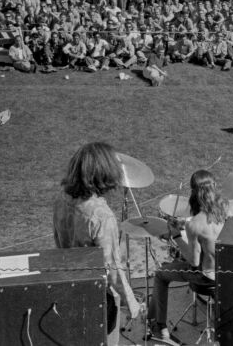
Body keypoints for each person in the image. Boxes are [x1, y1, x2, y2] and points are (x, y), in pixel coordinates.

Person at [148, 170, 233, 343]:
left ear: (193, 193)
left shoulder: (197, 224)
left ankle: (160, 329)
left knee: (160, 273)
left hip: (208, 278)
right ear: (215, 186)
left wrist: (176, 236)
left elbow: (194, 261)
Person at [53, 142, 140, 346]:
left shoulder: (62, 198)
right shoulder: (101, 216)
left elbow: (58, 240)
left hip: (68, 285)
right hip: (96, 295)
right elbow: (112, 268)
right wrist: (132, 304)